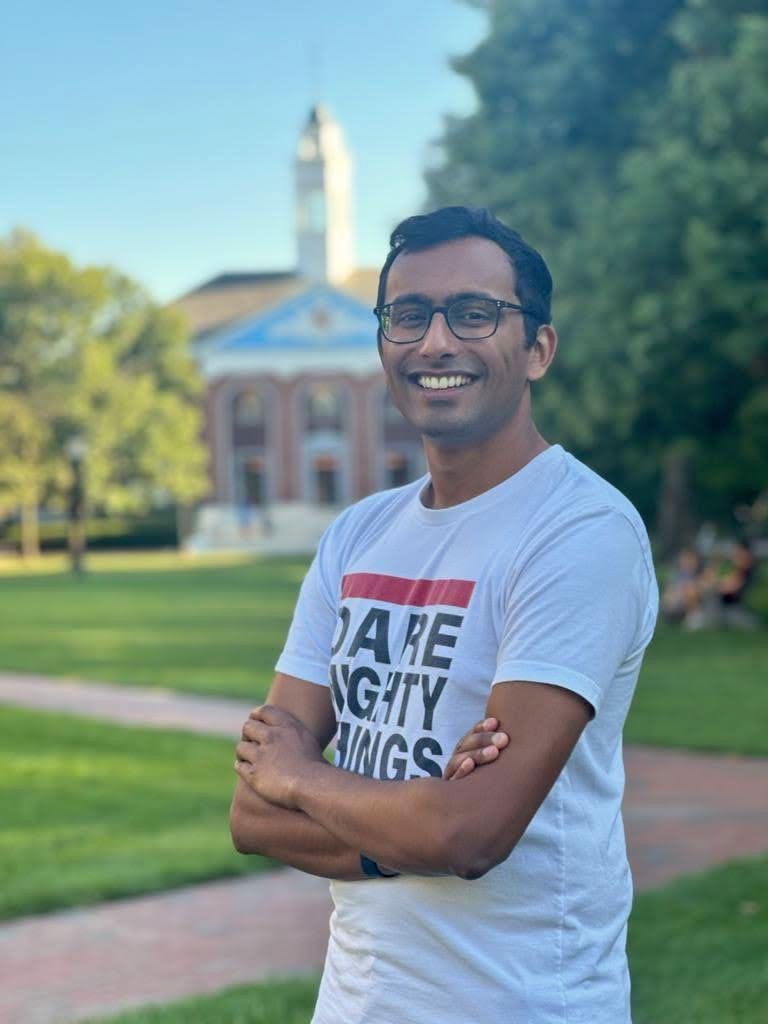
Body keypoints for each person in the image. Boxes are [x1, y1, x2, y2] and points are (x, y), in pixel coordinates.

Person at [230, 206, 659, 1024]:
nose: (435, 342)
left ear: (538, 349)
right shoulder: (356, 535)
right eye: (408, 315)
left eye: (473, 314)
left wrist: (303, 778)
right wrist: (412, 824)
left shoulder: (579, 531)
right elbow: (252, 814)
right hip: (354, 1005)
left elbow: (471, 834)